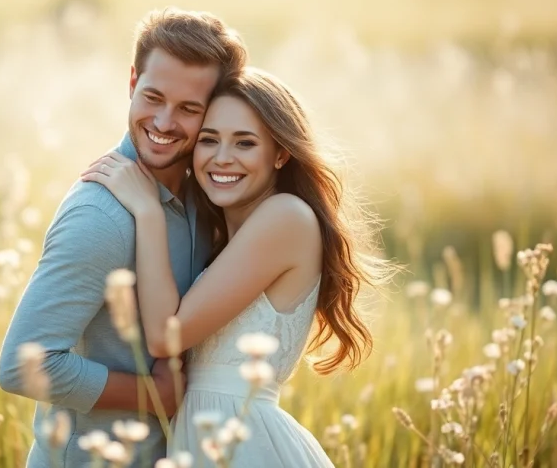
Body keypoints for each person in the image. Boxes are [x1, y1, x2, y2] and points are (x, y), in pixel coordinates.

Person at [82, 68, 392, 467]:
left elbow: (164, 337)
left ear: (280, 154)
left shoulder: (286, 217)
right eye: (209, 139)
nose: (222, 157)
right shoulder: (227, 236)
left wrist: (148, 211)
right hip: (208, 440)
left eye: (245, 143)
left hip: (245, 445)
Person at [0, 8, 247, 467]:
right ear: (132, 82)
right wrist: (153, 396)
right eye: (153, 97)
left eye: (189, 108)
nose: (164, 122)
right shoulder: (100, 216)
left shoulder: (202, 196)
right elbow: (21, 364)